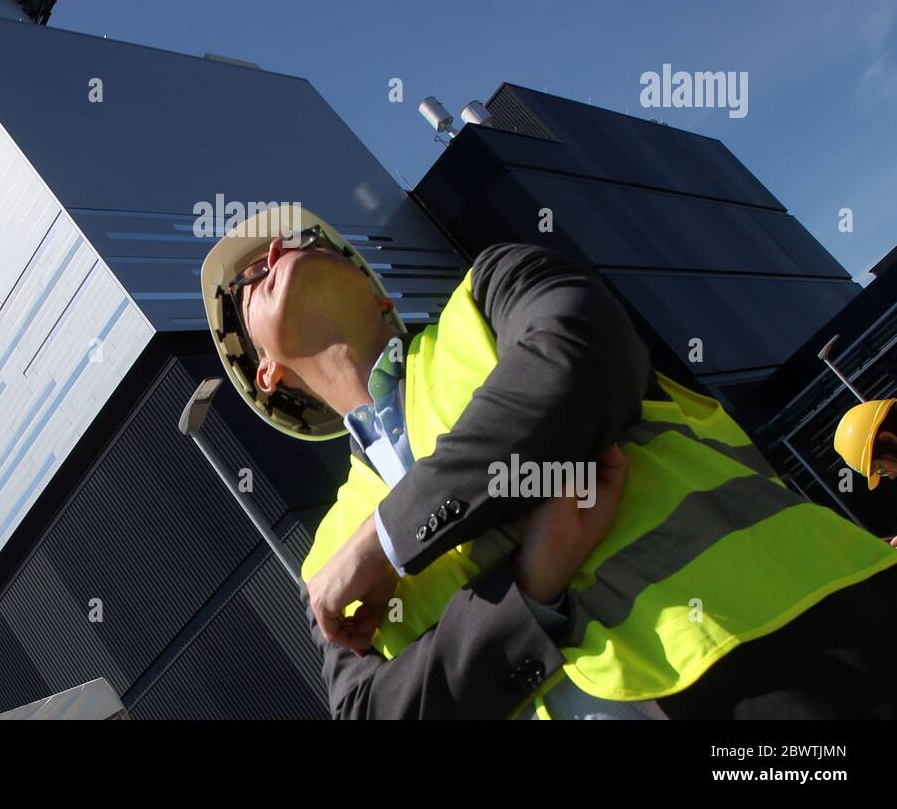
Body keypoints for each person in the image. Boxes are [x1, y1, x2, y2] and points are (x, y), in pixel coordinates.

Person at [200, 205, 897, 719]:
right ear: (267, 373)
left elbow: (581, 356)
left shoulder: (492, 291)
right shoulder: (323, 561)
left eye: (302, 243)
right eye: (247, 283)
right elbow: (375, 714)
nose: (274, 254)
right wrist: (529, 590)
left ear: (381, 296)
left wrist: (386, 540)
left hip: (796, 652)